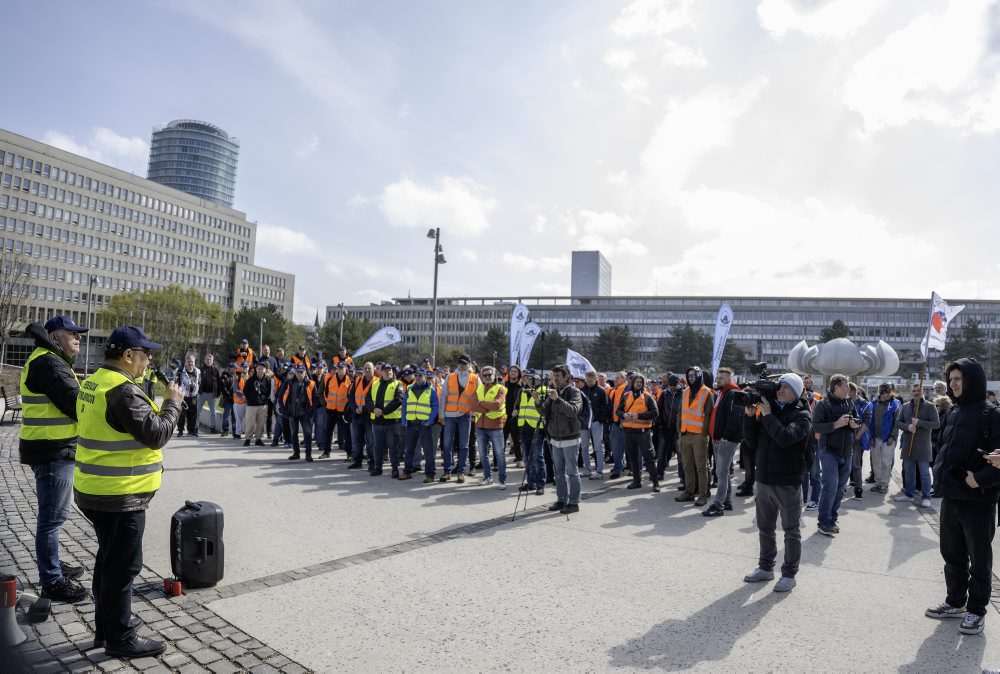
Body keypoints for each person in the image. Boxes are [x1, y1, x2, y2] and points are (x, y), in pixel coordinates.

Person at [74, 326, 183, 657]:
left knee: (107, 562)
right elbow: (157, 434)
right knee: (122, 569)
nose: (149, 360)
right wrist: (172, 404)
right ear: (128, 355)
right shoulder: (123, 391)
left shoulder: (94, 382)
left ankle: (105, 629)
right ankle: (120, 639)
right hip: (120, 495)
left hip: (96, 489)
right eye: (146, 354)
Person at [19, 316, 90, 603]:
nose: (79, 337)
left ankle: (55, 566)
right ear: (54, 336)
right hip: (52, 451)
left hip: (54, 448)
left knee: (55, 516)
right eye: (72, 333)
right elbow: (77, 404)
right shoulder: (48, 362)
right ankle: (51, 580)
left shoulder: (50, 359)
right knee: (51, 518)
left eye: (79, 334)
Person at [930, 358, 1000, 635]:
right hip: (951, 497)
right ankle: (955, 601)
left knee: (979, 560)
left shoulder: (992, 414)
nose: (953, 384)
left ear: (972, 381)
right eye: (951, 379)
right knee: (952, 555)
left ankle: (976, 611)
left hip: (979, 501)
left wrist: (978, 479)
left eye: (958, 379)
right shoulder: (953, 412)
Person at [742, 373, 811, 593]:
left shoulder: (803, 415)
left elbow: (785, 438)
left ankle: (789, 574)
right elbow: (751, 442)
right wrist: (750, 417)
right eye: (779, 387)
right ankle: (765, 568)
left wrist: (768, 415)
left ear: (797, 392)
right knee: (765, 527)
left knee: (791, 530)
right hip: (764, 479)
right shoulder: (768, 410)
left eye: (786, 388)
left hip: (787, 481)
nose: (780, 390)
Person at [811, 374, 861, 535]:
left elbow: (857, 420)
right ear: (836, 387)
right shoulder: (823, 404)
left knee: (840, 489)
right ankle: (823, 521)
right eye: (845, 386)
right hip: (829, 451)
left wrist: (854, 424)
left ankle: (832, 518)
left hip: (847, 452)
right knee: (830, 486)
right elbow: (815, 426)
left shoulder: (849, 402)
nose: (849, 389)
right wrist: (836, 424)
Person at [542, 364, 583, 515]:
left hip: (570, 437)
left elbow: (573, 411)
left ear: (566, 376)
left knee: (572, 472)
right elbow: (544, 412)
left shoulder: (574, 391)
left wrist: (557, 399)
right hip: (555, 437)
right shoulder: (555, 391)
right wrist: (537, 401)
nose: (555, 378)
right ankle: (561, 499)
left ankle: (574, 502)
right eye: (554, 375)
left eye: (558, 375)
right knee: (558, 472)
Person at [892, 383, 940, 508]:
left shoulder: (930, 406)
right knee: (909, 472)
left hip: (923, 445)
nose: (915, 392)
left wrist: (919, 422)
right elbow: (898, 422)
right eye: (913, 390)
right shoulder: (906, 406)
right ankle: (909, 494)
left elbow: (936, 424)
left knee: (924, 472)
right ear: (911, 392)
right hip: (909, 444)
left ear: (922, 391)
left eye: (918, 390)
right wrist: (907, 427)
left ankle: (926, 497)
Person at [704, 367, 743, 517]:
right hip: (718, 439)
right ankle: (727, 502)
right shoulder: (723, 393)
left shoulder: (732, 394)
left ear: (729, 380)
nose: (717, 380)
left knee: (721, 473)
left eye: (721, 378)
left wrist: (725, 437)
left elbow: (734, 418)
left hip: (725, 440)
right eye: (717, 377)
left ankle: (718, 505)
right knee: (723, 473)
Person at [676, 366, 715, 506]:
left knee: (701, 467)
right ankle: (689, 492)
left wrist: (704, 434)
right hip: (685, 434)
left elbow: (709, 415)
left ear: (699, 376)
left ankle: (703, 495)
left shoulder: (707, 392)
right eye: (689, 376)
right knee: (687, 466)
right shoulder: (685, 391)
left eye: (693, 375)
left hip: (699, 436)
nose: (691, 378)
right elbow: (680, 413)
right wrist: (680, 433)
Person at [439, 354, 479, 483]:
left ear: (469, 364)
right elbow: (443, 396)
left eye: (464, 363)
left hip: (465, 416)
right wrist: (441, 415)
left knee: (464, 445)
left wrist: (474, 411)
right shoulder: (450, 377)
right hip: (449, 416)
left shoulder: (475, 378)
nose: (462, 365)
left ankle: (460, 472)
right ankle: (447, 471)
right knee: (446, 445)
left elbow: (479, 396)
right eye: (460, 363)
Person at [618, 373, 660, 493]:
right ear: (632, 383)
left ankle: (655, 483)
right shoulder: (626, 396)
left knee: (649, 458)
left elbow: (655, 413)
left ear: (643, 384)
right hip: (628, 432)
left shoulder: (647, 396)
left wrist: (639, 416)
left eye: (640, 382)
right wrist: (622, 414)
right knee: (632, 457)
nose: (638, 384)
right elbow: (618, 410)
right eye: (636, 382)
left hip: (643, 433)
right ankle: (637, 481)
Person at [861, 383, 901, 494]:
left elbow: (897, 423)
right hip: (875, 438)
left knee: (886, 462)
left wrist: (893, 436)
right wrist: (870, 437)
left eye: (888, 392)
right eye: (884, 393)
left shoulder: (895, 404)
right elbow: (869, 422)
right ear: (880, 393)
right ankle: (878, 482)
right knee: (876, 462)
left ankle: (884, 484)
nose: (887, 395)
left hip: (888, 438)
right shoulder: (873, 404)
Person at [401, 368, 439, 482]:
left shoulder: (431, 390)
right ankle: (407, 472)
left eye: (420, 376)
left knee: (428, 451)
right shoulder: (409, 389)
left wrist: (430, 421)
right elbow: (404, 406)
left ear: (425, 377)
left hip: (424, 425)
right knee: (409, 450)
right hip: (411, 424)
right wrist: (404, 420)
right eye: (416, 375)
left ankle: (430, 474)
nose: (417, 378)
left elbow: (435, 406)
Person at [367, 362, 404, 477]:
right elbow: (367, 399)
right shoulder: (375, 384)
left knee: (393, 446)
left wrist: (383, 411)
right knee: (377, 446)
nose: (388, 372)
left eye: (390, 370)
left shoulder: (397, 384)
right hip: (377, 421)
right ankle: (378, 467)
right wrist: (374, 410)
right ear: (381, 372)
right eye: (386, 370)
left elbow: (398, 399)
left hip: (391, 422)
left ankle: (394, 468)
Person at [474, 366, 508, 489]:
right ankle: (487, 477)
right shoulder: (479, 389)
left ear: (494, 375)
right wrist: (486, 406)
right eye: (485, 375)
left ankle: (502, 480)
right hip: (480, 426)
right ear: (481, 377)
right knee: (483, 455)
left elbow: (497, 405)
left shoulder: (501, 388)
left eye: (490, 375)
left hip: (495, 426)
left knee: (499, 454)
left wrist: (481, 404)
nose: (487, 377)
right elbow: (473, 406)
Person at [580, 370, 609, 480]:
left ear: (595, 379)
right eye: (587, 380)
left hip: (596, 422)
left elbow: (606, 406)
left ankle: (599, 471)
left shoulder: (601, 391)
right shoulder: (581, 390)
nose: (588, 382)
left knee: (597, 447)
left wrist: (602, 419)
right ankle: (587, 470)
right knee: (584, 447)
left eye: (591, 380)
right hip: (584, 423)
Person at [284, 365, 317, 461]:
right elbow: (282, 395)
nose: (299, 374)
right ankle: (296, 453)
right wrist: (284, 410)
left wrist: (312, 410)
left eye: (301, 372)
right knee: (294, 433)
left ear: (305, 373)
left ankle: (308, 454)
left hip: (305, 413)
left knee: (307, 433)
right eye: (298, 372)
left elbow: (315, 398)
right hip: (292, 412)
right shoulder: (289, 382)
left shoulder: (311, 383)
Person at [348, 362, 375, 469]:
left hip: (369, 416)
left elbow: (376, 400)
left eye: (369, 368)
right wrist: (355, 408)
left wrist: (363, 409)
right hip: (356, 415)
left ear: (373, 369)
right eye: (365, 368)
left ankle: (372, 463)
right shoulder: (357, 380)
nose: (367, 370)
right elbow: (350, 396)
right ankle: (357, 461)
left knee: (370, 441)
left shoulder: (377, 382)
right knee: (356, 440)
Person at [323, 361, 353, 459]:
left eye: (342, 368)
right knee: (328, 432)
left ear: (346, 369)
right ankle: (326, 452)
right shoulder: (330, 379)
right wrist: (329, 403)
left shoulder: (350, 381)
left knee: (346, 433)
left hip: (343, 412)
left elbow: (351, 397)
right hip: (331, 410)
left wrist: (346, 409)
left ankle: (349, 454)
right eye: (338, 368)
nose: (340, 370)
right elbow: (326, 393)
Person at [657, 374, 683, 484]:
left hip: (678, 429)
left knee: (680, 453)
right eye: (670, 385)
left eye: (674, 385)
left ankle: (682, 476)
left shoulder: (684, 394)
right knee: (662, 452)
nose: (672, 387)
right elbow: (659, 409)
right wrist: (660, 424)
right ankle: (659, 473)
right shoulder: (664, 394)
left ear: (679, 384)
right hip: (665, 427)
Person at [242, 361, 271, 446]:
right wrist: (250, 399)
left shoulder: (267, 379)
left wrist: (264, 399)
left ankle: (258, 439)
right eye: (259, 368)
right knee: (250, 423)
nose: (260, 370)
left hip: (263, 405)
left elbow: (268, 391)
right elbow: (245, 391)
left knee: (261, 423)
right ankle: (248, 439)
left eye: (262, 369)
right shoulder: (250, 380)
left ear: (265, 370)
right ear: (256, 369)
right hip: (252, 405)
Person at [503, 365, 524, 468]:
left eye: (515, 371)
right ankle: (499, 460)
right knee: (502, 439)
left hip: (516, 416)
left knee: (517, 440)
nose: (513, 373)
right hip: (504, 415)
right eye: (511, 371)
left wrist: (518, 411)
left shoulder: (522, 386)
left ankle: (519, 460)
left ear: (518, 373)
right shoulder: (504, 385)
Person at [608, 372, 627, 479]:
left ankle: (621, 468)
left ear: (624, 379)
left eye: (618, 378)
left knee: (626, 448)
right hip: (615, 422)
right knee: (616, 448)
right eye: (615, 378)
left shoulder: (626, 389)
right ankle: (618, 467)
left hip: (623, 422)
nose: (616, 379)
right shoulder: (614, 390)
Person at [196, 354, 221, 434]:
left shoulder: (215, 370)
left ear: (212, 361)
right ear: (204, 360)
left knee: (213, 412)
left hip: (211, 394)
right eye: (207, 359)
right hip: (201, 393)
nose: (209, 361)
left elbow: (218, 382)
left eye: (210, 359)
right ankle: (195, 427)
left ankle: (212, 428)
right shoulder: (200, 370)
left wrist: (218, 393)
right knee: (198, 411)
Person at [177, 355, 201, 437]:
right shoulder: (180, 371)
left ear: (194, 363)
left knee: (193, 414)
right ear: (186, 362)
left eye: (192, 362)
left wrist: (195, 389)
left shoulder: (198, 371)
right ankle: (180, 430)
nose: (190, 363)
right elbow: (177, 382)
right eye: (189, 361)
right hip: (183, 396)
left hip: (193, 396)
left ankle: (191, 431)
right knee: (182, 414)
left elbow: (199, 383)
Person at [219, 363, 236, 437]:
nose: (235, 369)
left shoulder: (237, 376)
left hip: (236, 400)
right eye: (233, 368)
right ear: (229, 368)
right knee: (226, 415)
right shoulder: (224, 376)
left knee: (234, 416)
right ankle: (225, 430)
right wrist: (229, 395)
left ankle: (235, 431)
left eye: (235, 368)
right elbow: (223, 387)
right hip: (228, 399)